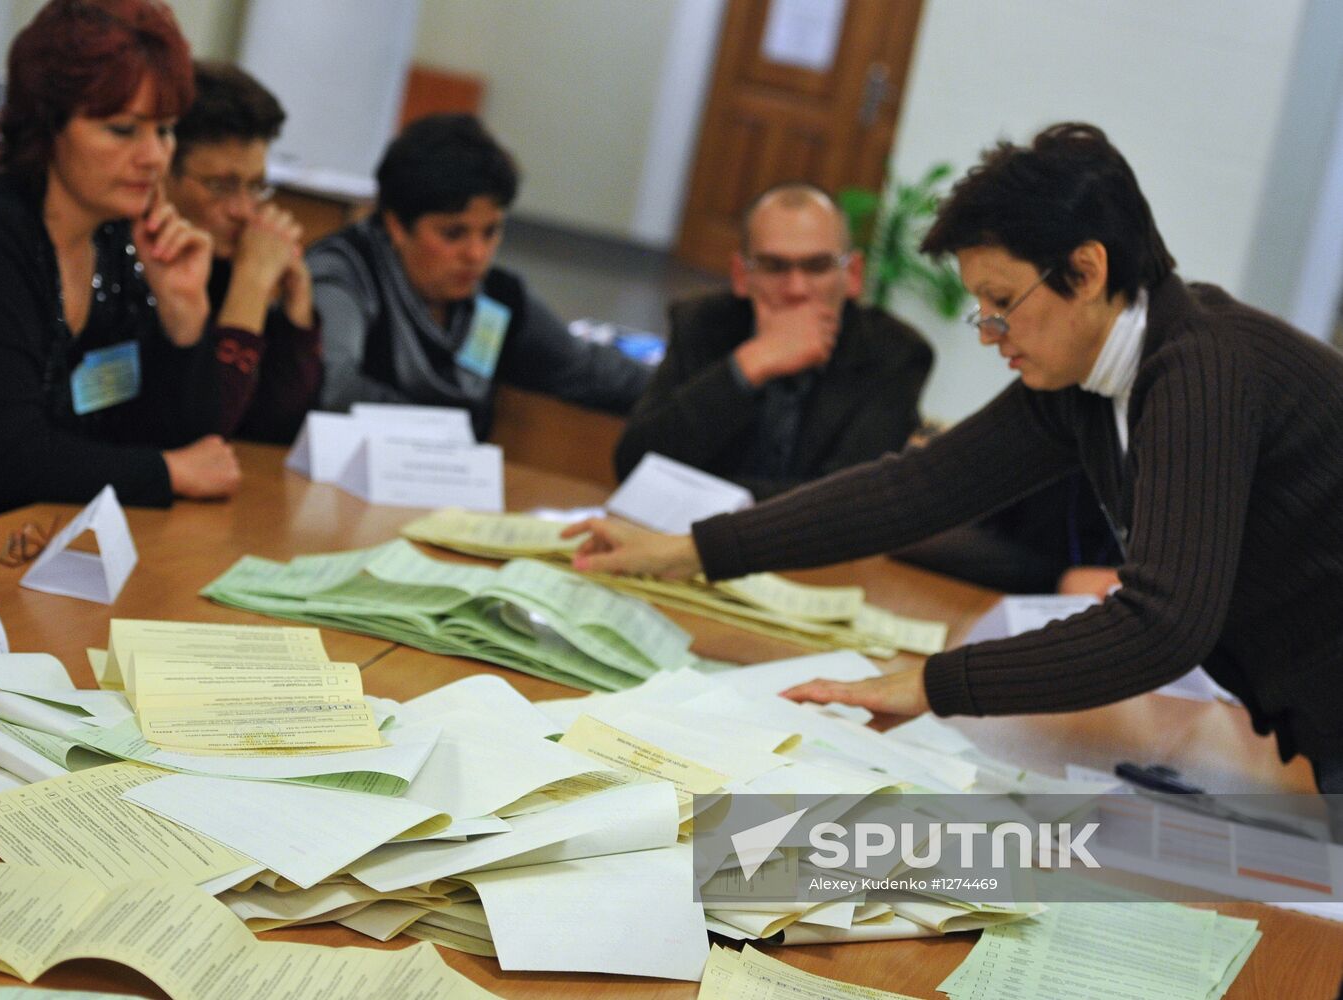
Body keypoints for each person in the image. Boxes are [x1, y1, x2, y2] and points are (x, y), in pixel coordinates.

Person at [565, 123, 1343, 793]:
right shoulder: (1085, 375)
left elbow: (1160, 625)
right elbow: (916, 488)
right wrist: (692, 548)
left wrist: (932, 684)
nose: (986, 330)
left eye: (1002, 303)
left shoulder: (1200, 368)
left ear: (1087, 269)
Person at [0, 0, 240, 529]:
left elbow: (190, 442)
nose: (154, 156)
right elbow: (1, 455)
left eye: (166, 129)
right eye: (123, 129)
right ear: (47, 129)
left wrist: (184, 319)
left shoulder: (119, 243)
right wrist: (166, 472)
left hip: (53, 545)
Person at [306, 113, 651, 439]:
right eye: (453, 234)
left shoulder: (494, 299)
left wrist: (686, 391)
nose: (476, 254)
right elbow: (335, 389)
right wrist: (444, 436)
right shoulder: (343, 273)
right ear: (396, 225)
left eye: (491, 232)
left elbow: (586, 370)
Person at [613, 183, 933, 499]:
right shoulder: (702, 323)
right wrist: (747, 365)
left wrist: (703, 489)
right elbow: (634, 466)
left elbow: (849, 502)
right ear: (741, 275)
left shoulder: (896, 353)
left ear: (853, 275)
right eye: (774, 266)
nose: (796, 289)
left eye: (818, 266)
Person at [164, 61, 320, 444]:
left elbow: (275, 430)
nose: (245, 210)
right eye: (220, 185)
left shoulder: (228, 262)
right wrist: (249, 288)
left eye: (256, 187)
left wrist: (295, 317)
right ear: (160, 170)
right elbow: (203, 432)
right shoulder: (130, 263)